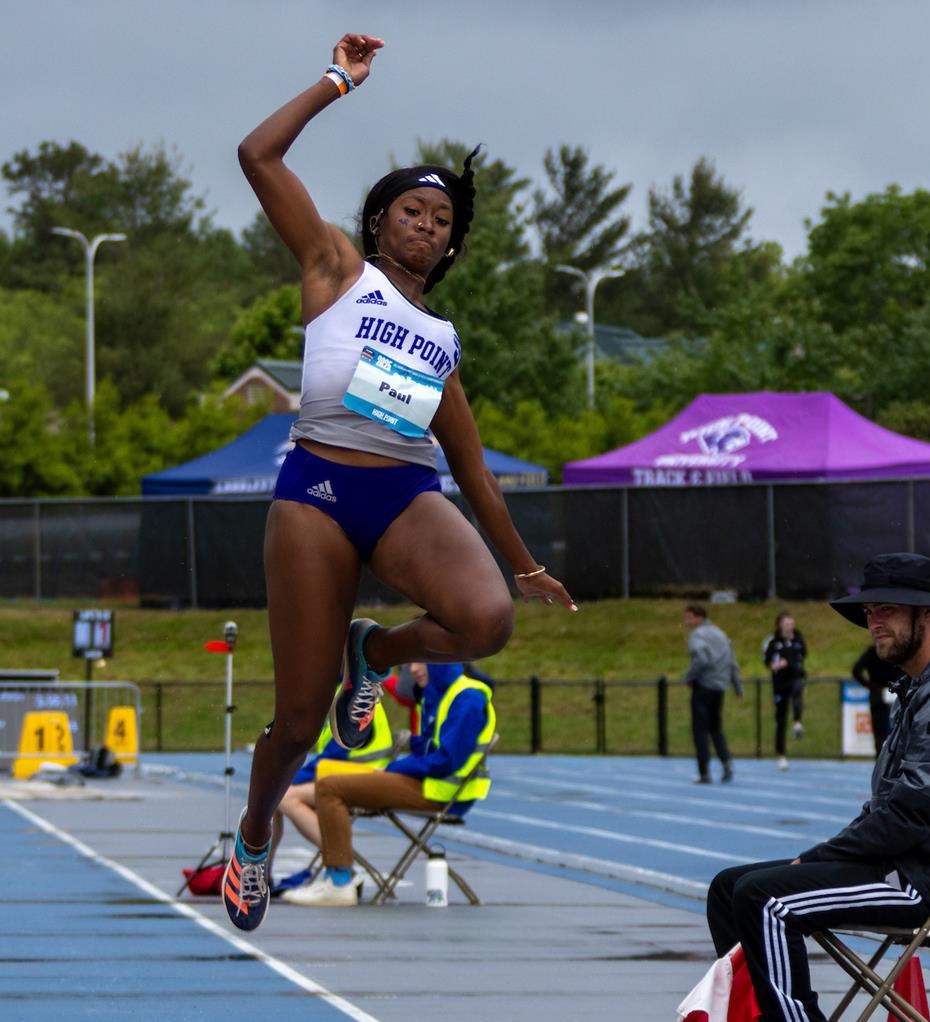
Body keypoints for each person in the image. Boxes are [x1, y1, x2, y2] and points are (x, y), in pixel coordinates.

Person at [223, 32, 573, 932]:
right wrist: (339, 82)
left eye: (443, 219)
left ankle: (370, 654)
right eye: (413, 211)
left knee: (488, 617)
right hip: (316, 496)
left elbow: (470, 465)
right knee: (297, 724)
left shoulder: (443, 339)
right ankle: (257, 833)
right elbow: (256, 154)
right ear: (379, 221)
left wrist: (525, 564)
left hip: (404, 495)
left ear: (453, 244)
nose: (428, 225)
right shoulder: (336, 270)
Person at [707, 553, 930, 1022]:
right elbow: (891, 811)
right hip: (902, 863)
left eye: (887, 610)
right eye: (869, 612)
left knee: (763, 898)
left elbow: (906, 817)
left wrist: (816, 857)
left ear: (928, 613)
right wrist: (825, 855)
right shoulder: (925, 688)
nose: (873, 622)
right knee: (728, 888)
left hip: (926, 882)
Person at [283, 663, 495, 907]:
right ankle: (338, 876)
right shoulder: (438, 694)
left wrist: (393, 769)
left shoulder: (467, 698)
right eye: (409, 663)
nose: (413, 669)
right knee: (326, 780)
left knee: (331, 786)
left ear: (441, 659)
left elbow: (446, 761)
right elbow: (425, 751)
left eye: (420, 661)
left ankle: (340, 882)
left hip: (442, 792)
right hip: (427, 784)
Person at [272, 671, 401, 894]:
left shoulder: (348, 698)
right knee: (272, 798)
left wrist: (288, 780)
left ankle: (341, 860)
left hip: (362, 780)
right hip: (343, 774)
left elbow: (335, 754)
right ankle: (261, 871)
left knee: (285, 797)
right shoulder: (340, 694)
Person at [683, 603, 741, 783]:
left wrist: (689, 677)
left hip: (704, 687)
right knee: (716, 728)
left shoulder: (698, 635)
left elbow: (702, 659)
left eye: (688, 617)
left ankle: (704, 772)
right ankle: (727, 762)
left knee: (700, 730)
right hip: (719, 687)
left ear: (698, 617)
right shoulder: (721, 634)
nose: (686, 622)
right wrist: (737, 686)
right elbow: (732, 661)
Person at [761, 611, 809, 770]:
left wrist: (790, 661)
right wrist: (775, 665)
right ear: (780, 625)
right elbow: (767, 660)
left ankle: (797, 722)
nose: (790, 626)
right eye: (787, 623)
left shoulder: (798, 639)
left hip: (796, 678)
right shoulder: (773, 641)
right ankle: (781, 755)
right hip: (780, 683)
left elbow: (803, 655)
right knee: (780, 720)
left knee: (797, 692)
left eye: (792, 623)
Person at [851, 642, 901, 753]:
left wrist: (869, 685)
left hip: (877, 693)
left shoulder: (873, 651)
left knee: (879, 734)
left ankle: (880, 761)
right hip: (895, 693)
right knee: (901, 729)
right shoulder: (897, 650)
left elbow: (856, 670)